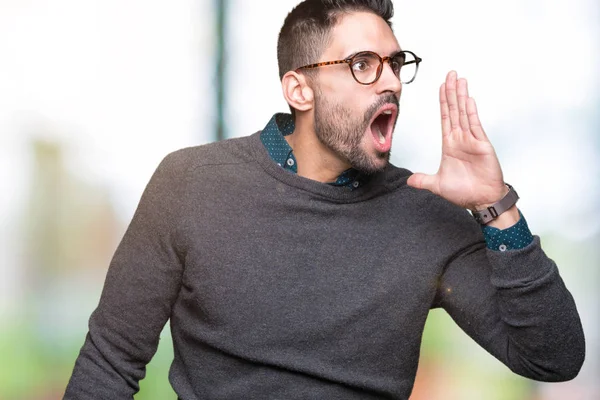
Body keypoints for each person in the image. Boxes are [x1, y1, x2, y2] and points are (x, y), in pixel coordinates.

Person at [64, 0, 585, 398]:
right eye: (362, 64)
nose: (390, 83)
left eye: (394, 63)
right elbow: (110, 362)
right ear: (299, 90)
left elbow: (554, 358)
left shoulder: (425, 214)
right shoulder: (191, 183)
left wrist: (497, 207)